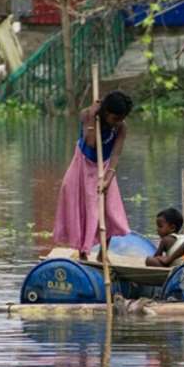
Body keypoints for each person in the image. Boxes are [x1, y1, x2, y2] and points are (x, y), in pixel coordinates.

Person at [53, 91, 133, 260]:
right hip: (82, 166)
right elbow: (91, 143)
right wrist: (91, 116)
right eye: (115, 118)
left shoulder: (121, 127)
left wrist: (107, 179)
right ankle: (83, 252)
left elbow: (116, 154)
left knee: (109, 210)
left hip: (104, 168)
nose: (117, 123)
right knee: (83, 207)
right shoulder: (87, 115)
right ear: (105, 112)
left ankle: (103, 253)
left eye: (121, 119)